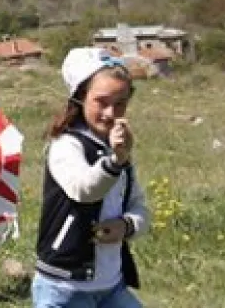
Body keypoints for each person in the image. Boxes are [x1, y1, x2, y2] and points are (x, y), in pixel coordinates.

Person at [32, 47, 150, 308]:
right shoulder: (66, 145)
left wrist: (127, 226)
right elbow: (84, 189)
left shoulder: (116, 147)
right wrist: (116, 161)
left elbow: (138, 206)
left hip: (111, 285)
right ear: (80, 98)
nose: (110, 113)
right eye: (102, 102)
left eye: (120, 103)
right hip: (65, 287)